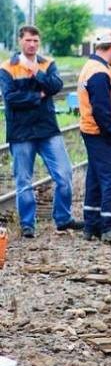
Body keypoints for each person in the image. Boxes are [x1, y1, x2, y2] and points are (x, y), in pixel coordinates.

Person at [0, 25, 82, 237]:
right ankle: (28, 225)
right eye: (28, 40)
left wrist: (38, 73)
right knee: (24, 181)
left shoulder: (47, 63)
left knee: (64, 174)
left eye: (36, 41)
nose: (32, 44)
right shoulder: (8, 67)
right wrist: (38, 96)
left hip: (47, 129)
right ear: (20, 41)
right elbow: (10, 98)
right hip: (21, 132)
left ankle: (63, 219)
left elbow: (56, 86)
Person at [78, 29, 111, 242]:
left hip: (91, 131)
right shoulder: (99, 72)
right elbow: (101, 109)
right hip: (100, 133)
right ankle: (109, 227)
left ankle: (92, 225)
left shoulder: (92, 67)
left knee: (96, 179)